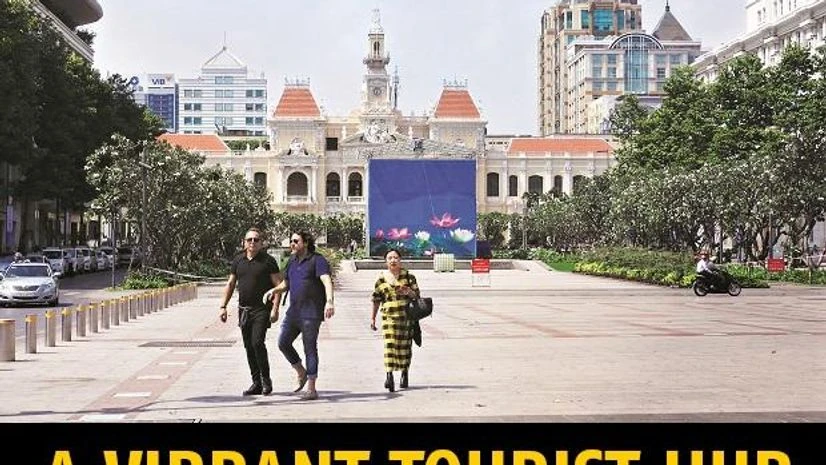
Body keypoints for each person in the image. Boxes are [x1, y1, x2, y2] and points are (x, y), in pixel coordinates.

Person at [264, 231, 335, 400]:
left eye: (295, 241)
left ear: (305, 243)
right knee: (283, 343)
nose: (292, 244)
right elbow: (286, 283)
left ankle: (311, 388)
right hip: (293, 312)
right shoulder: (292, 261)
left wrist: (330, 301)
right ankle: (300, 371)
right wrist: (273, 290)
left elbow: (326, 280)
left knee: (309, 348)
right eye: (291, 241)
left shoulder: (317, 260)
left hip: (311, 313)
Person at [219, 227, 281, 396]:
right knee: (248, 346)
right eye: (249, 240)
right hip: (244, 310)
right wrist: (223, 306)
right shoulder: (238, 260)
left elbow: (278, 286)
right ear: (244, 242)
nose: (252, 242)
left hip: (261, 310)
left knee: (257, 343)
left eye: (256, 240)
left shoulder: (268, 261)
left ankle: (266, 380)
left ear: (261, 243)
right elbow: (231, 284)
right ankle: (256, 383)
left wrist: (275, 309)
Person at [370, 248, 421, 392]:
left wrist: (409, 292)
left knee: (405, 347)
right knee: (390, 346)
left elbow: (417, 296)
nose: (393, 260)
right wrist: (373, 318)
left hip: (406, 318)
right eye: (390, 258)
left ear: (400, 260)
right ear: (386, 261)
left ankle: (405, 373)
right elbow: (376, 299)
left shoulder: (409, 277)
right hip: (389, 317)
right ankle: (389, 375)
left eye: (396, 258)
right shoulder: (381, 279)